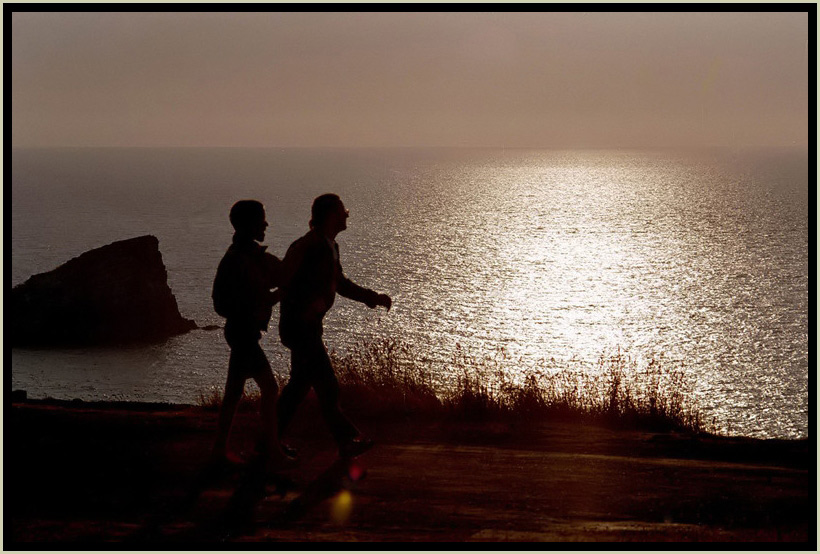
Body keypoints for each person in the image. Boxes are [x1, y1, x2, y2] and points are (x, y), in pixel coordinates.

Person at [277, 193, 392, 459]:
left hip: (306, 327)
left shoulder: (327, 245)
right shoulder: (313, 247)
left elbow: (338, 283)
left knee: (298, 388)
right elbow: (290, 284)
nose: (347, 215)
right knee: (327, 386)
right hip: (302, 328)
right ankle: (347, 440)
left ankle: (267, 443)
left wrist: (371, 298)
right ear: (330, 216)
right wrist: (305, 312)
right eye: (343, 211)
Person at [210, 199, 288, 468]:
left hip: (241, 332)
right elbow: (239, 300)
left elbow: (278, 274)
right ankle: (272, 450)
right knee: (270, 387)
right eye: (262, 219)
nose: (266, 223)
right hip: (243, 333)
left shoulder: (245, 255)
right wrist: (275, 296)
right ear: (249, 224)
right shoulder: (240, 259)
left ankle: (220, 451)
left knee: (234, 393)